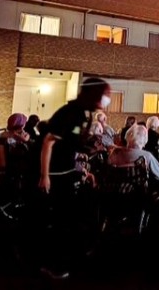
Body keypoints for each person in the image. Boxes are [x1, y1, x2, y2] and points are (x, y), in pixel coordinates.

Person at [36, 77, 111, 280]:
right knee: (62, 218)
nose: (107, 99)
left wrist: (86, 153)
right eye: (105, 95)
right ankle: (54, 263)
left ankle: (72, 255)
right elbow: (48, 142)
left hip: (67, 169)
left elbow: (73, 141)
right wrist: (44, 176)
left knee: (74, 213)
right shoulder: (71, 113)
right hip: (56, 172)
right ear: (94, 95)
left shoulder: (85, 113)